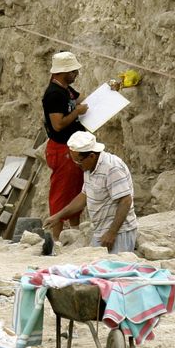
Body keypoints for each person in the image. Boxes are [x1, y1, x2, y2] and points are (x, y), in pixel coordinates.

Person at [46, 131, 139, 253]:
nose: (77, 166)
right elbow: (84, 196)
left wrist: (112, 233)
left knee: (115, 270)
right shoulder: (88, 168)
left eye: (79, 162)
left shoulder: (112, 168)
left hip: (119, 233)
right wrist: (58, 216)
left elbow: (125, 201)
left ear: (91, 156)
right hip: (100, 231)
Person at [42, 51, 90, 241]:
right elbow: (58, 124)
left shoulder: (65, 90)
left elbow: (79, 100)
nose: (76, 74)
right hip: (62, 149)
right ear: (64, 72)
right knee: (61, 194)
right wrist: (77, 112)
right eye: (73, 71)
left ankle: (74, 233)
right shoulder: (53, 94)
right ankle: (56, 239)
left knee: (75, 189)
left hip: (71, 148)